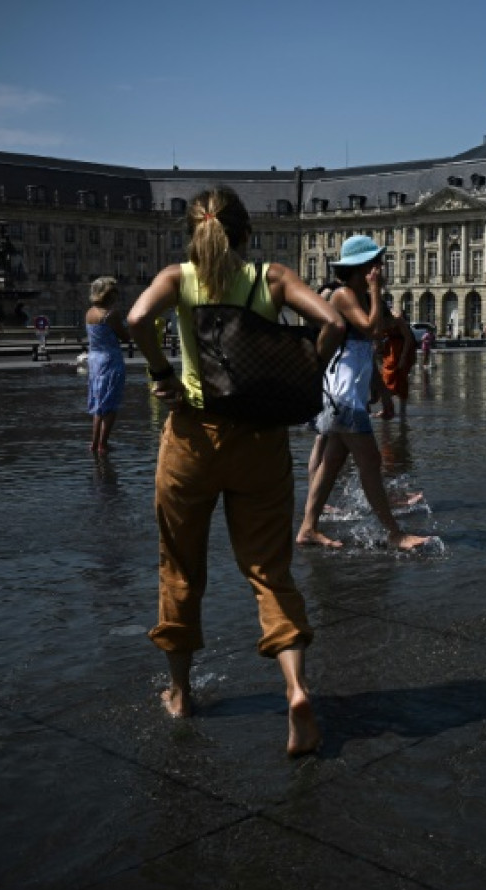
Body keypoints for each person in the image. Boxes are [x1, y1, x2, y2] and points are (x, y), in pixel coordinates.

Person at [125, 185, 345, 757]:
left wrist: (164, 372)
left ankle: (180, 693)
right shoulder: (270, 278)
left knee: (180, 569)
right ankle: (296, 690)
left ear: (194, 234)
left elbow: (136, 317)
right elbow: (334, 323)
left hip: (193, 439)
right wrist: (300, 376)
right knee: (270, 572)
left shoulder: (179, 279)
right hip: (260, 443)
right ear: (248, 233)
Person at [296, 236, 430, 551]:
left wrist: (373, 385)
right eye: (375, 264)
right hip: (341, 394)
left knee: (332, 462)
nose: (379, 268)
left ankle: (308, 527)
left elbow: (375, 337)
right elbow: (371, 329)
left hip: (346, 392)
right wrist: (375, 289)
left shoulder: (354, 295)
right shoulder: (343, 295)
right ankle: (394, 533)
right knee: (369, 459)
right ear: (361, 268)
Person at [84, 276, 130, 454]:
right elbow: (125, 337)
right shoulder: (111, 315)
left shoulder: (89, 313)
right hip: (111, 360)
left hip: (94, 360)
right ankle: (103, 444)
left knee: (98, 403)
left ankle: (94, 443)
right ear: (110, 295)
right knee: (110, 403)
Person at [375, 297, 417, 420]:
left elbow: (408, 338)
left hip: (404, 347)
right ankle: (387, 408)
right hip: (391, 349)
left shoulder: (396, 318)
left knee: (402, 378)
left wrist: (403, 357)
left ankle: (402, 410)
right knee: (386, 378)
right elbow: (377, 336)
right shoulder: (378, 319)